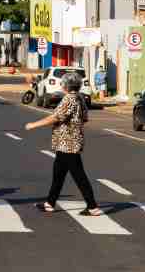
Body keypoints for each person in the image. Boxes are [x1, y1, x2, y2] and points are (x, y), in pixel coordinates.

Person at [25, 76, 102, 216]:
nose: (61, 85)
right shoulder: (79, 98)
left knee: (79, 176)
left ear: (66, 85)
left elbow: (56, 117)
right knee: (58, 174)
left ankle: (92, 206)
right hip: (69, 142)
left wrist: (33, 125)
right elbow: (84, 118)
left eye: (62, 83)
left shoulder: (69, 99)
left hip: (68, 143)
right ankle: (50, 203)